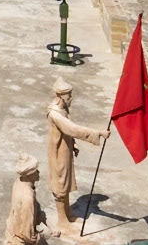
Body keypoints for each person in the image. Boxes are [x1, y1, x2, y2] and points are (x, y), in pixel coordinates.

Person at [46, 77, 108, 234]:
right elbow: (71, 129)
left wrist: (72, 145)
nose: (71, 99)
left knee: (65, 183)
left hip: (64, 150)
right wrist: (98, 133)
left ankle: (67, 214)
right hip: (58, 153)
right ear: (60, 96)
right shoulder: (55, 114)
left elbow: (66, 132)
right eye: (68, 96)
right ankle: (62, 220)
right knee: (60, 184)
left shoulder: (62, 109)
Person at [4, 154, 48, 245]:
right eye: (35, 171)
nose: (38, 172)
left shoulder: (19, 181)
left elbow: (34, 208)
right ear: (28, 175)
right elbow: (27, 234)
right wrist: (43, 237)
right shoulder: (28, 197)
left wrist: (41, 217)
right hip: (21, 240)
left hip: (12, 230)